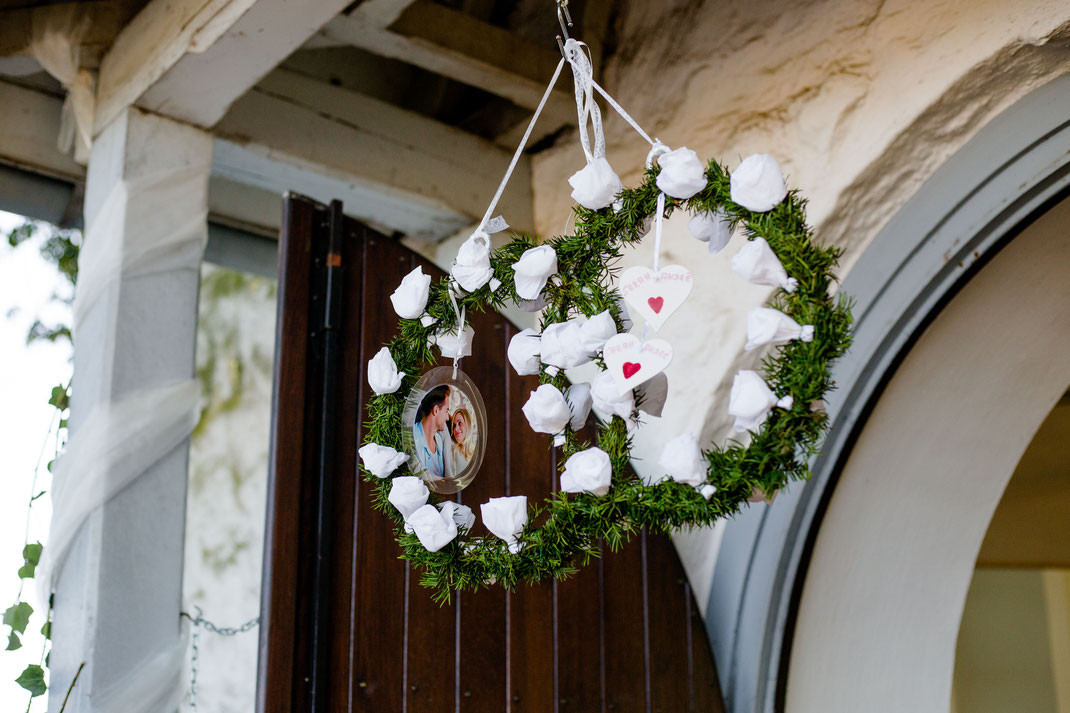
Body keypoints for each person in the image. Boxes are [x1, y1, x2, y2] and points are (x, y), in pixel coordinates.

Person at [412, 385, 455, 480]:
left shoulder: (439, 441)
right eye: (446, 411)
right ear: (436, 410)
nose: (447, 418)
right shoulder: (412, 438)